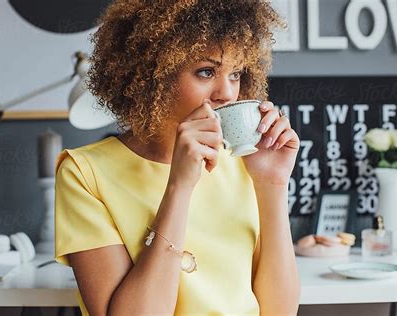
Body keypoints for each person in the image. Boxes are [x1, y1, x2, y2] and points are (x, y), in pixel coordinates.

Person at [54, 0, 301, 315]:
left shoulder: (244, 165)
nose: (226, 92)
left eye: (236, 73)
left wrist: (272, 186)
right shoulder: (85, 174)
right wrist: (180, 187)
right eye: (206, 71)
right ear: (152, 73)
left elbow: (281, 311)